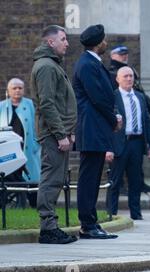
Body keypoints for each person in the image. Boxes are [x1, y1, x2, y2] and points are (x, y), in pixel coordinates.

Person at [72, 24, 121, 239]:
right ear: (99, 42)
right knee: (89, 178)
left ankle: (91, 222)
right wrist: (113, 120)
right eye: (104, 40)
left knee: (92, 178)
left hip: (96, 128)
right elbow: (99, 97)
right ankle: (87, 224)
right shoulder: (87, 64)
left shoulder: (91, 63)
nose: (106, 43)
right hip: (92, 128)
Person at [30, 25, 77, 244]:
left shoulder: (52, 65)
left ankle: (51, 226)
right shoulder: (47, 67)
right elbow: (47, 104)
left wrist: (69, 131)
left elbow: (60, 102)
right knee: (51, 180)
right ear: (51, 42)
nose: (67, 43)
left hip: (58, 133)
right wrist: (60, 134)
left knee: (56, 179)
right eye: (63, 39)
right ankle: (48, 229)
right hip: (52, 134)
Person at [106, 67, 150, 220]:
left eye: (131, 76)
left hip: (137, 143)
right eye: (126, 76)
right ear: (118, 79)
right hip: (119, 144)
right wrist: (108, 148)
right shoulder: (112, 97)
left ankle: (136, 213)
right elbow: (107, 124)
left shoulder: (140, 97)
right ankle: (111, 213)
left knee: (135, 181)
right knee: (114, 182)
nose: (129, 79)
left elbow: (147, 121)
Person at [108, 44, 150, 194]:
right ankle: (114, 207)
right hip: (120, 134)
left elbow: (139, 90)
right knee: (116, 177)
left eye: (125, 54)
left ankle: (137, 199)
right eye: (120, 54)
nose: (124, 56)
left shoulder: (130, 71)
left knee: (135, 175)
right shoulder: (112, 73)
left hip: (136, 137)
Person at [0, 78, 41, 208]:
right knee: (9, 175)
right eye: (14, 88)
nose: (17, 90)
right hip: (8, 148)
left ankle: (35, 204)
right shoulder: (2, 106)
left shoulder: (29, 104)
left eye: (20, 88)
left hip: (27, 147)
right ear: (8, 90)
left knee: (32, 175)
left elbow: (36, 125)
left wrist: (36, 143)